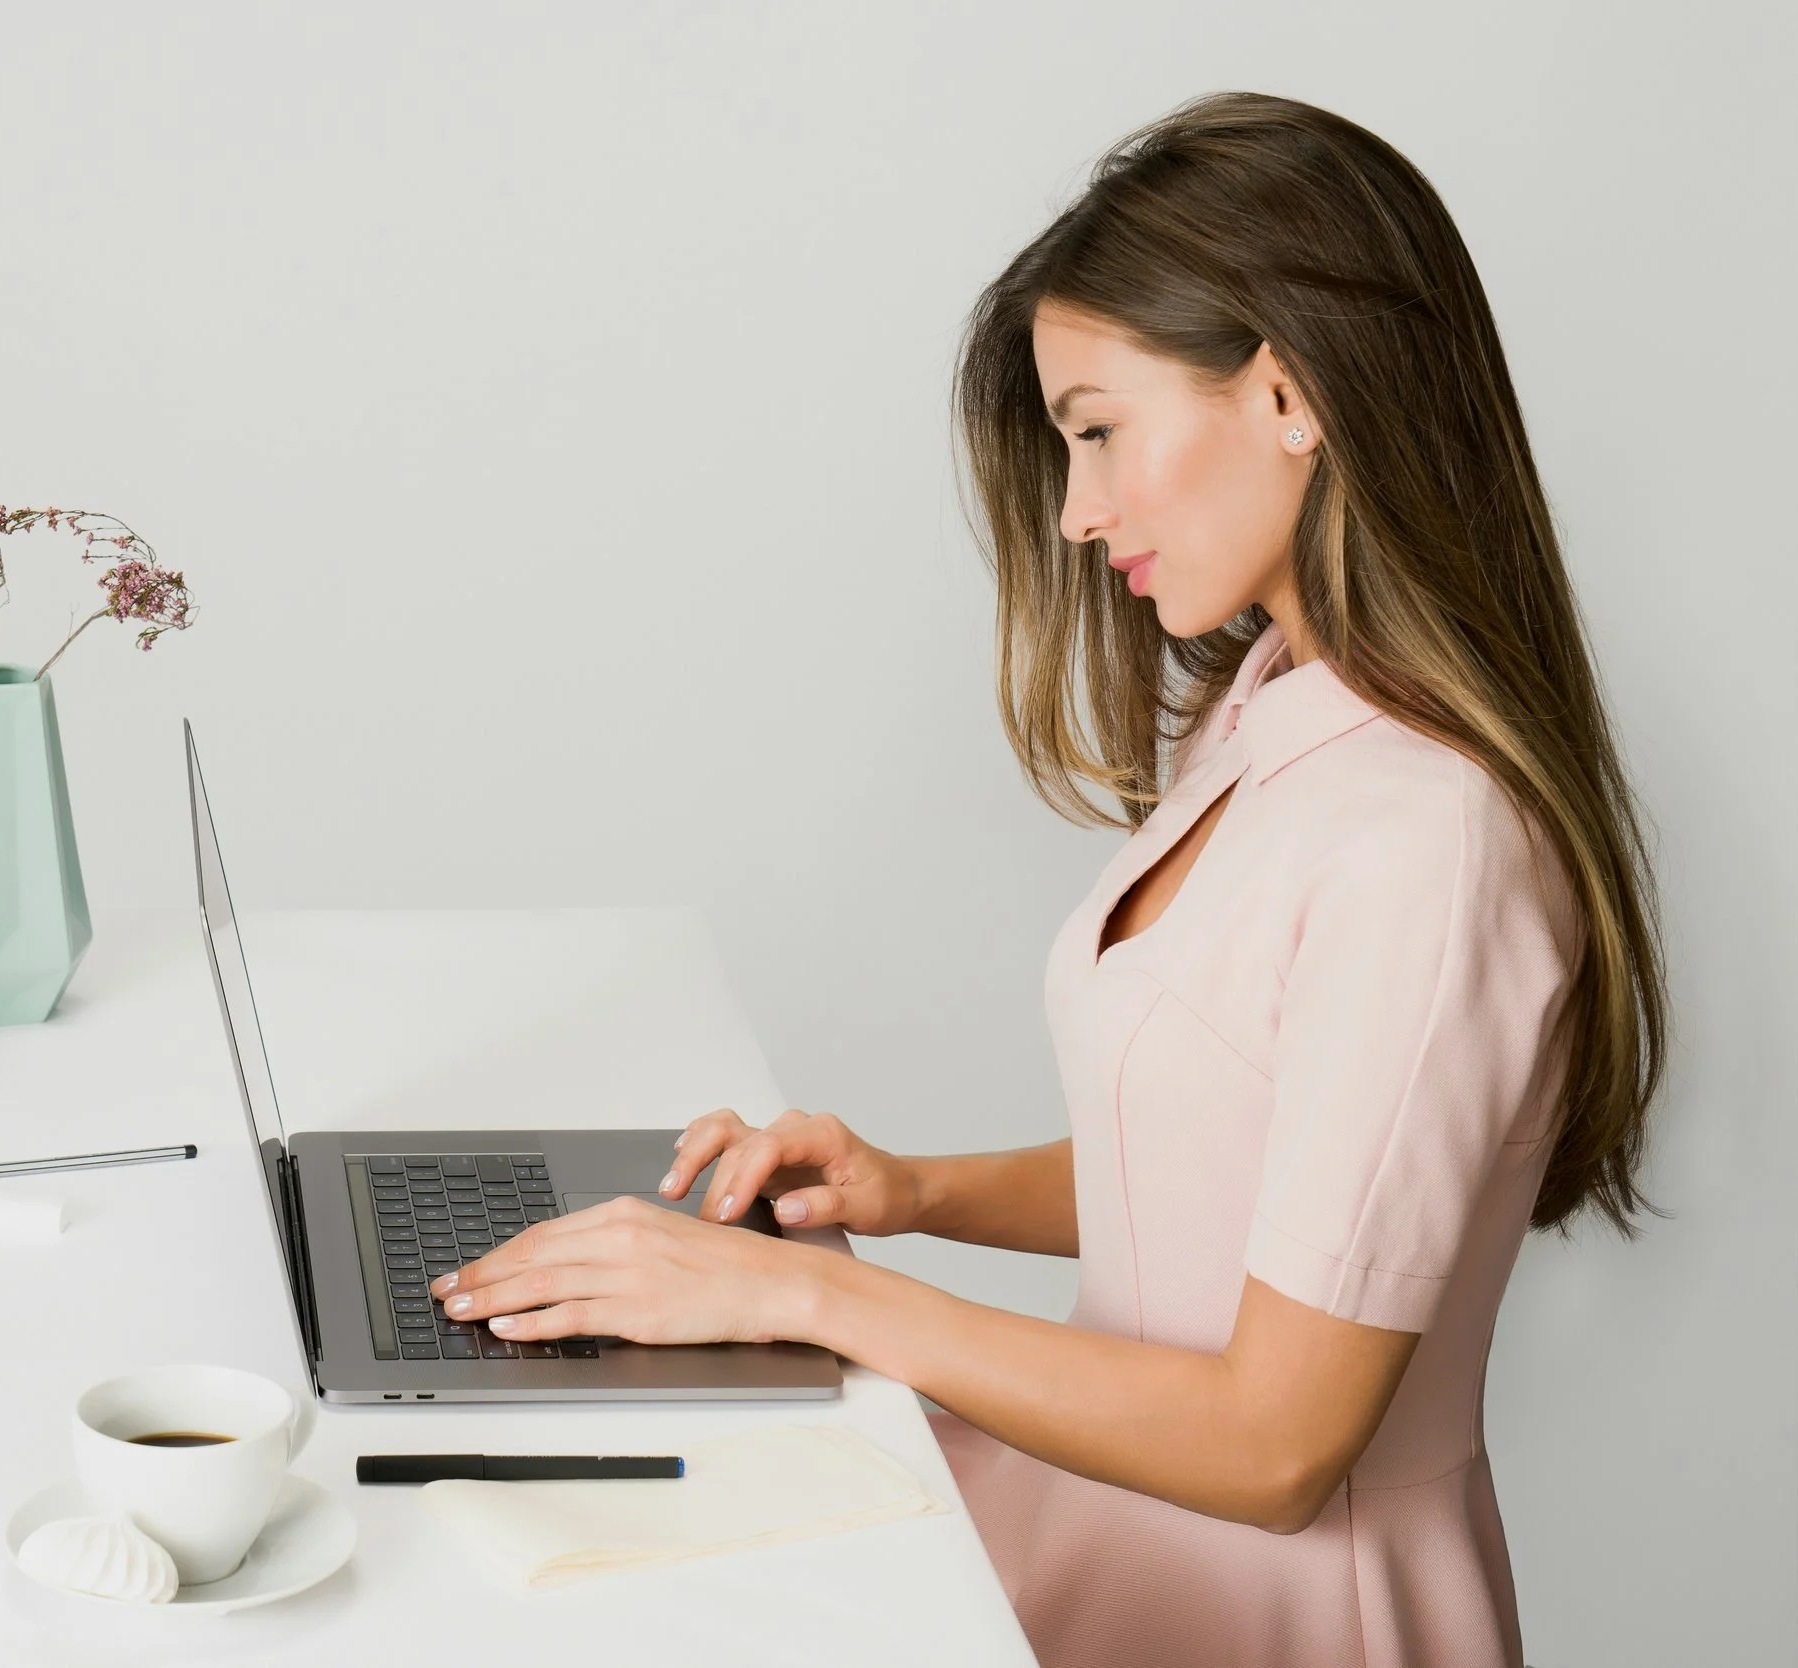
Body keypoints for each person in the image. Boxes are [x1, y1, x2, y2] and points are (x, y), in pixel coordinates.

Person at [428, 90, 1668, 1667]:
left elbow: (1278, 1448)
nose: (1078, 513)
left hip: (1285, 1608)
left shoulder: (1429, 843)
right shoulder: (1272, 713)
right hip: (1105, 1530)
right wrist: (907, 1191)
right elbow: (1235, 1171)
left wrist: (818, 1303)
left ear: (1287, 392)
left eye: (1098, 430)